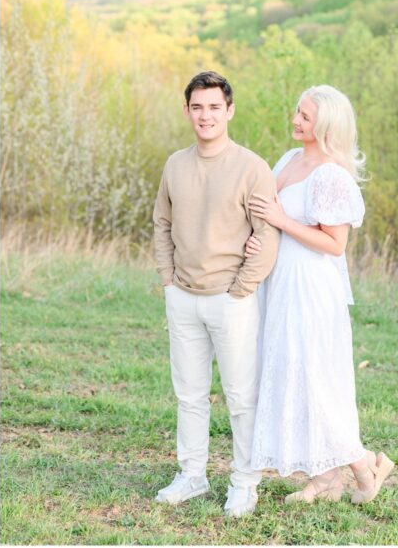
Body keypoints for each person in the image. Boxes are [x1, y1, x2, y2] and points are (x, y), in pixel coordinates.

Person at [246, 85, 394, 504]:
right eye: (297, 111)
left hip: (311, 286)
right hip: (280, 282)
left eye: (305, 117)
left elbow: (334, 244)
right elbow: (270, 217)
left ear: (325, 125)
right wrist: (259, 239)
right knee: (292, 373)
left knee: (316, 378)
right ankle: (327, 477)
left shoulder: (331, 173)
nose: (295, 120)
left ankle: (366, 466)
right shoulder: (290, 160)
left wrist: (279, 219)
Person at [152, 71, 281, 518]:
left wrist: (241, 289)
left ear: (229, 111)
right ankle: (192, 475)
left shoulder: (251, 167)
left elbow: (267, 234)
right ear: (187, 110)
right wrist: (168, 279)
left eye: (213, 107)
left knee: (241, 396)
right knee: (189, 394)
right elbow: (162, 224)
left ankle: (245, 483)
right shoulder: (175, 164)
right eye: (197, 107)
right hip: (183, 295)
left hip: (232, 299)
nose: (205, 115)